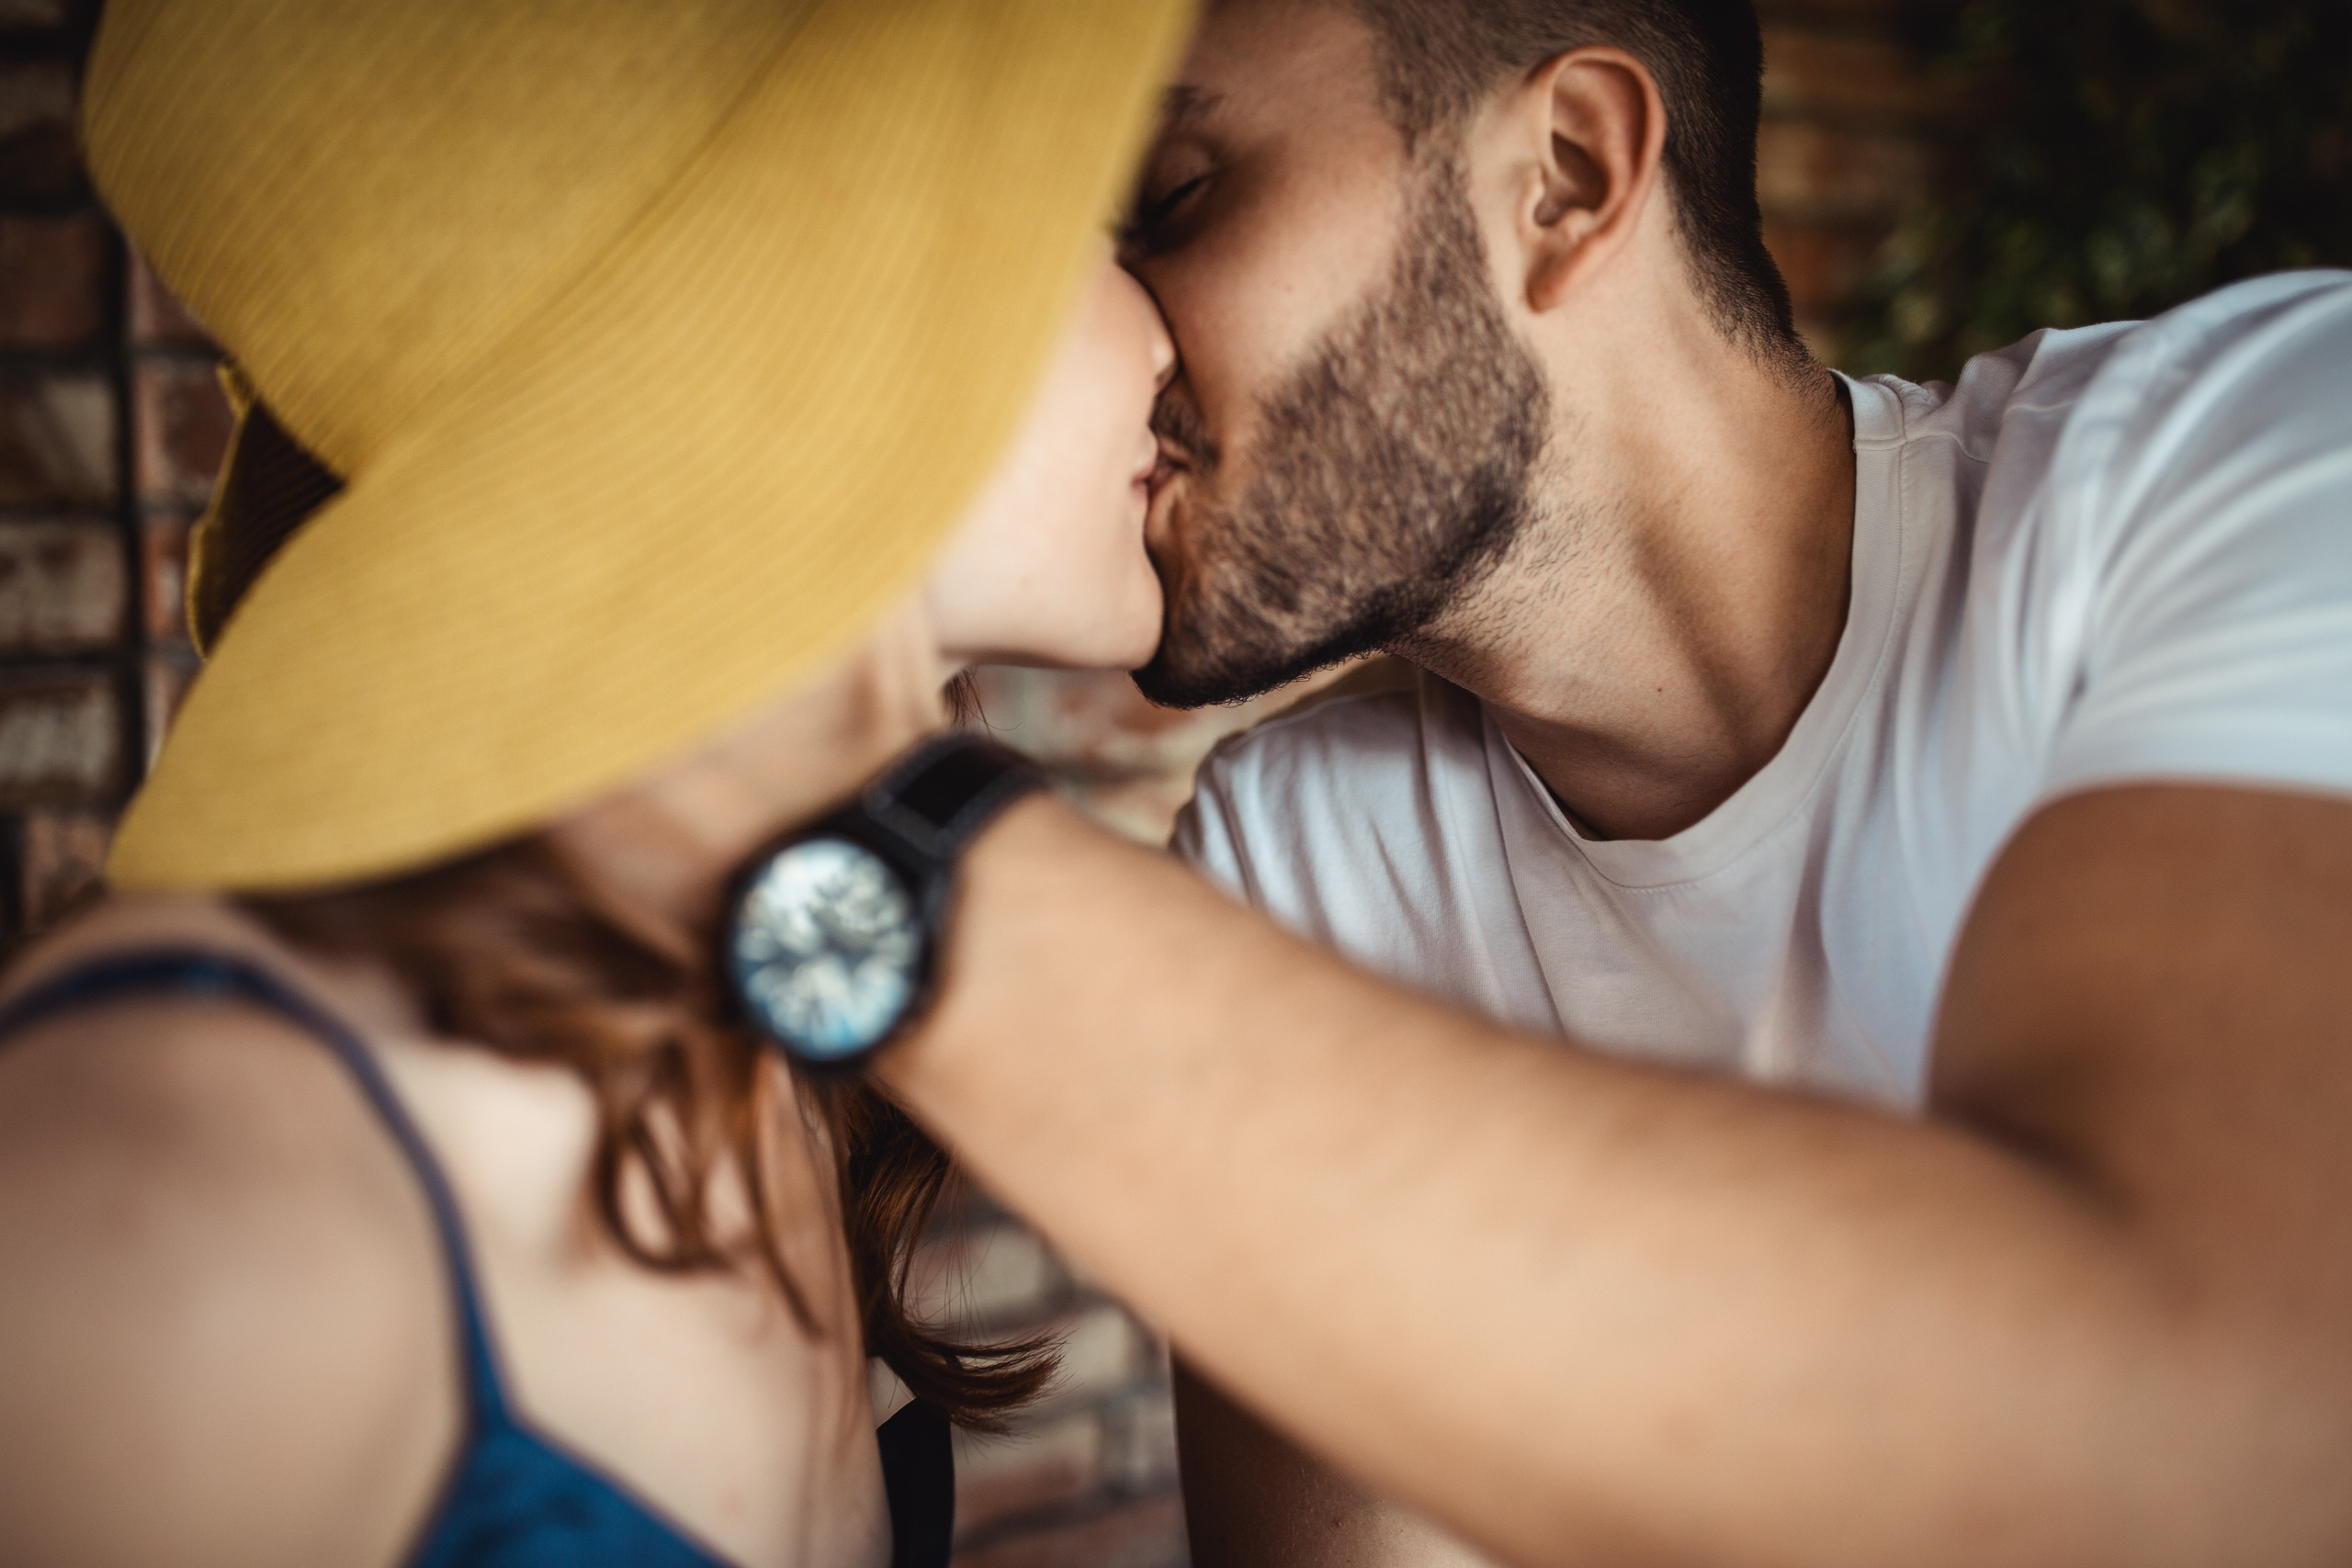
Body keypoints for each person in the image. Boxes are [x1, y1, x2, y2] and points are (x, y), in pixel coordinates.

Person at [854, 2, 2352, 1565]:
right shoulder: (1301, 856)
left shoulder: (2247, 457)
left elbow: (2221, 1434)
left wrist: (843, 829)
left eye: (1171, 200)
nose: (1115, 333)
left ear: (1564, 176)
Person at [0, 2, 1191, 1565]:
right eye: (1100, 218)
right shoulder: (162, 1217)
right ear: (810, 306)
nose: (1166, 325)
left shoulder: (758, 998)